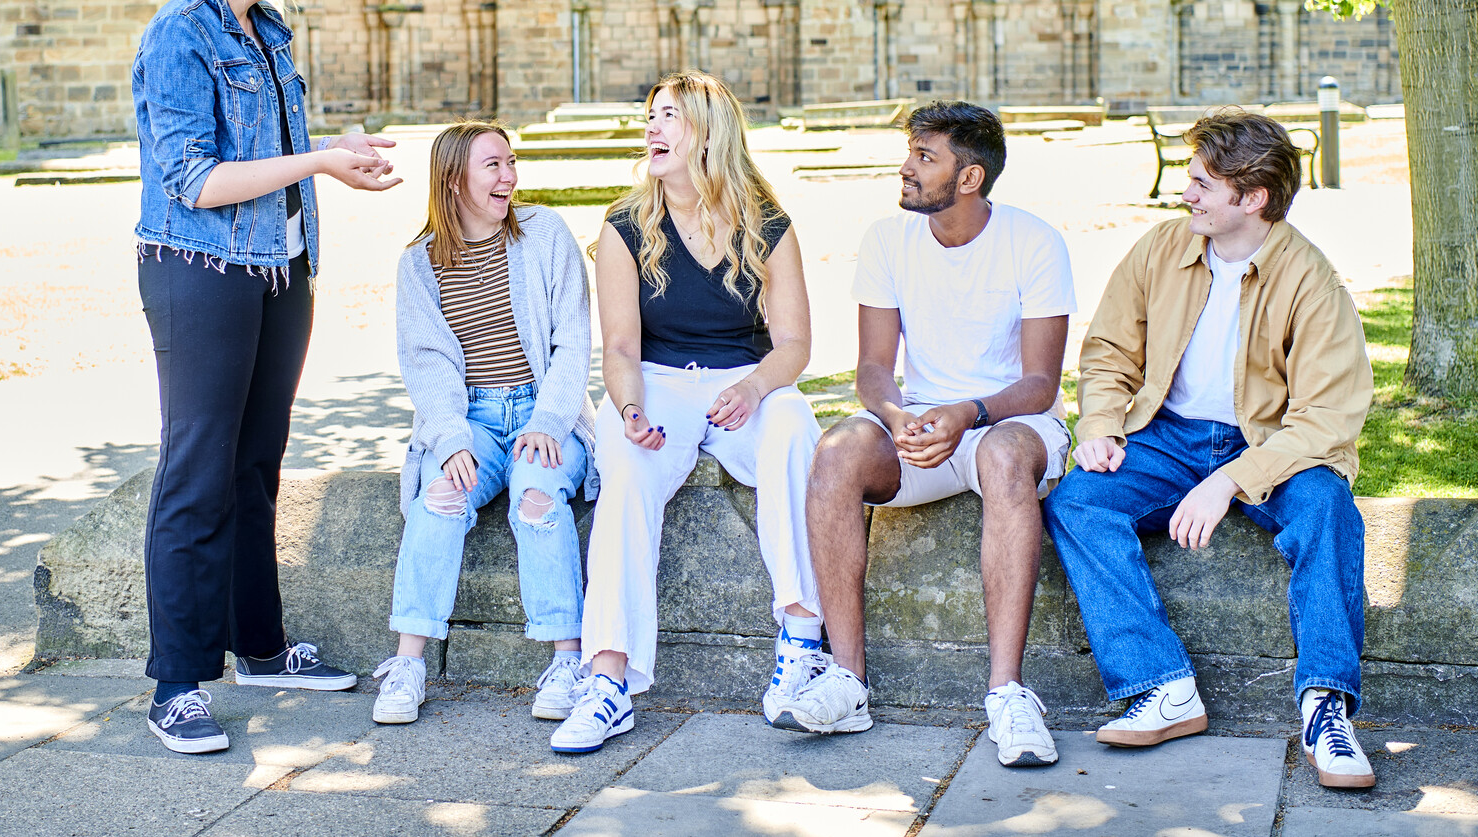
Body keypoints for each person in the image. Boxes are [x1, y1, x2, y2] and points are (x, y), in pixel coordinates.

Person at [132, 0, 403, 755]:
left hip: (280, 267)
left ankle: (262, 647)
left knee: (255, 465)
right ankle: (176, 681)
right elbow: (195, 180)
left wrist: (334, 159)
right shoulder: (179, 35)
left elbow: (271, 158)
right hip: (199, 271)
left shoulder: (270, 30)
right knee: (197, 468)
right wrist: (322, 160)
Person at [1043, 111, 1376, 789]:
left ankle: (1325, 707)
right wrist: (1102, 423)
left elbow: (1325, 419)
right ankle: (1161, 685)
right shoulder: (1161, 248)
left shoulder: (1309, 278)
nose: (1185, 192)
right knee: (1078, 501)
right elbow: (1108, 349)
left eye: (1200, 182)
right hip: (1164, 435)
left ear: (1250, 198)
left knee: (1327, 509)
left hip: (1270, 444)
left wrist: (1227, 480)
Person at [777, 102, 1075, 767]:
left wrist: (965, 412)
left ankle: (1006, 694)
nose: (906, 167)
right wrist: (896, 417)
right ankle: (847, 680)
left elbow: (1039, 381)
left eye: (924, 156)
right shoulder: (888, 238)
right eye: (909, 152)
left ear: (968, 177)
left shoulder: (1033, 242)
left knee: (1000, 456)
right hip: (924, 424)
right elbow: (874, 368)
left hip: (1007, 421)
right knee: (835, 451)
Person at [548, 70, 824, 754]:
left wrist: (757, 388)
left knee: (793, 426)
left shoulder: (767, 223)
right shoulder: (622, 225)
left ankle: (799, 642)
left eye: (667, 115)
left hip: (743, 383)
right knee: (625, 462)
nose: (651, 128)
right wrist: (630, 405)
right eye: (650, 115)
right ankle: (607, 677)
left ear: (708, 129)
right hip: (657, 383)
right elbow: (616, 345)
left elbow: (794, 344)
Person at [371, 122, 600, 725]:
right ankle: (409, 663)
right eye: (493, 166)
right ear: (454, 180)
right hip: (471, 414)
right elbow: (427, 363)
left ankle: (567, 658)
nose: (509, 177)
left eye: (511, 163)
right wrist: (447, 438)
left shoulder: (545, 234)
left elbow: (572, 343)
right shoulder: (419, 265)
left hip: (544, 407)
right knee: (440, 496)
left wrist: (549, 420)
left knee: (535, 495)